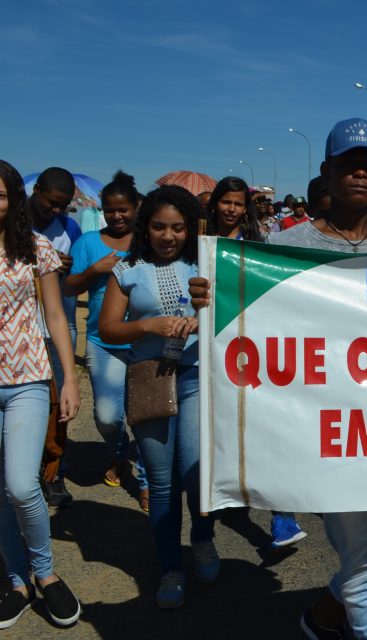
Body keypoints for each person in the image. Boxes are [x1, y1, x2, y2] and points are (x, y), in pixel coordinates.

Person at [192, 117, 367, 639]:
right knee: (366, 564)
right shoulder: (284, 245)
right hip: (329, 436)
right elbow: (243, 314)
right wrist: (214, 297)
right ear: (329, 172)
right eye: (349, 166)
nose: (360, 175)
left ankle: (319, 619)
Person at [99, 186, 218, 609]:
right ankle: (170, 568)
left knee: (196, 473)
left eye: (178, 228)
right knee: (162, 483)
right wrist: (147, 327)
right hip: (149, 377)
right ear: (145, 227)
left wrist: (208, 307)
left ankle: (203, 539)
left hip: (196, 377)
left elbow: (228, 317)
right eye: (159, 227)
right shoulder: (126, 269)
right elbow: (108, 329)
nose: (168, 236)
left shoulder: (205, 264)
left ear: (189, 229)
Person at [202, 177, 307, 550]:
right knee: (215, 436)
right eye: (225, 202)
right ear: (214, 204)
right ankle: (206, 530)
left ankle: (283, 518)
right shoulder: (196, 246)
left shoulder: (258, 248)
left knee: (263, 433)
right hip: (203, 352)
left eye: (237, 203)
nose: (231, 209)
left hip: (247, 350)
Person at [0, 159, 83, 629]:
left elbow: (55, 316)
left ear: (13, 197)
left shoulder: (37, 248)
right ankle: (15, 580)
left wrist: (68, 379)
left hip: (28, 378)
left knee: (21, 484)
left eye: (0, 193)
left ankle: (45, 573)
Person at [63, 171, 149, 511]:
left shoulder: (148, 241)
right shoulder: (87, 243)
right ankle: (120, 454)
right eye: (110, 210)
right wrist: (94, 270)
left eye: (123, 209)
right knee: (107, 416)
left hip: (144, 342)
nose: (116, 216)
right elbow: (70, 287)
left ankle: (145, 481)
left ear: (136, 208)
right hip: (102, 342)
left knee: (145, 414)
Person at [28, 168, 81, 508]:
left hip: (54, 327)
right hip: (19, 332)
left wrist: (68, 267)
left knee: (57, 406)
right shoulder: (13, 222)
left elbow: (77, 278)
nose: (57, 211)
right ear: (36, 192)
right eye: (52, 203)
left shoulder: (70, 229)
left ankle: (53, 471)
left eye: (63, 205)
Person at [205, 177, 261, 241]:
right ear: (215, 203)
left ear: (245, 208)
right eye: (226, 202)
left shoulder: (253, 242)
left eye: (238, 204)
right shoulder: (201, 239)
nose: (231, 209)